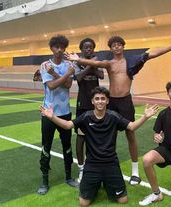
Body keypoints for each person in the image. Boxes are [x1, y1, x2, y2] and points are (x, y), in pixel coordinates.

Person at [65, 36, 171, 185]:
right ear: (111, 48)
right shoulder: (109, 63)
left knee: (131, 134)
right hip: (111, 103)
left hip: (125, 102)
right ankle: (107, 166)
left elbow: (152, 54)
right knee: (108, 136)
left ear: (123, 47)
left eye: (119, 45)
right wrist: (77, 59)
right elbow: (95, 62)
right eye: (114, 45)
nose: (117, 47)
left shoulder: (131, 61)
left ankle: (135, 171)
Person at [40, 86, 159, 206]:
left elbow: (131, 127)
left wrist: (145, 117)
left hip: (111, 163)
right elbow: (67, 125)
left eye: (103, 98)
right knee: (83, 203)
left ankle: (105, 183)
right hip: (92, 164)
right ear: (92, 101)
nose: (100, 101)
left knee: (123, 200)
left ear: (107, 101)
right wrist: (52, 117)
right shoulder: (86, 116)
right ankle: (96, 185)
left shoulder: (113, 116)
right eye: (97, 99)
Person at [37, 34, 78, 195]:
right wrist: (63, 75)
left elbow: (68, 85)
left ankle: (68, 177)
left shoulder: (69, 64)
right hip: (48, 113)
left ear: (65, 48)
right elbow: (52, 86)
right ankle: (44, 181)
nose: (59, 50)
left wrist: (57, 74)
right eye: (56, 47)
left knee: (67, 146)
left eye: (62, 47)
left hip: (65, 113)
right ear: (51, 48)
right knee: (45, 146)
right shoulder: (45, 65)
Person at [75, 38, 104, 183]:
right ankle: (81, 168)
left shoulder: (96, 62)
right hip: (83, 105)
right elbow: (79, 78)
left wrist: (93, 64)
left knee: (96, 136)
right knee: (81, 137)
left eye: (90, 48)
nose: (88, 50)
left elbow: (101, 75)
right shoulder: (77, 62)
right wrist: (89, 65)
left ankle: (94, 164)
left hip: (97, 105)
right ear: (81, 49)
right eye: (85, 47)